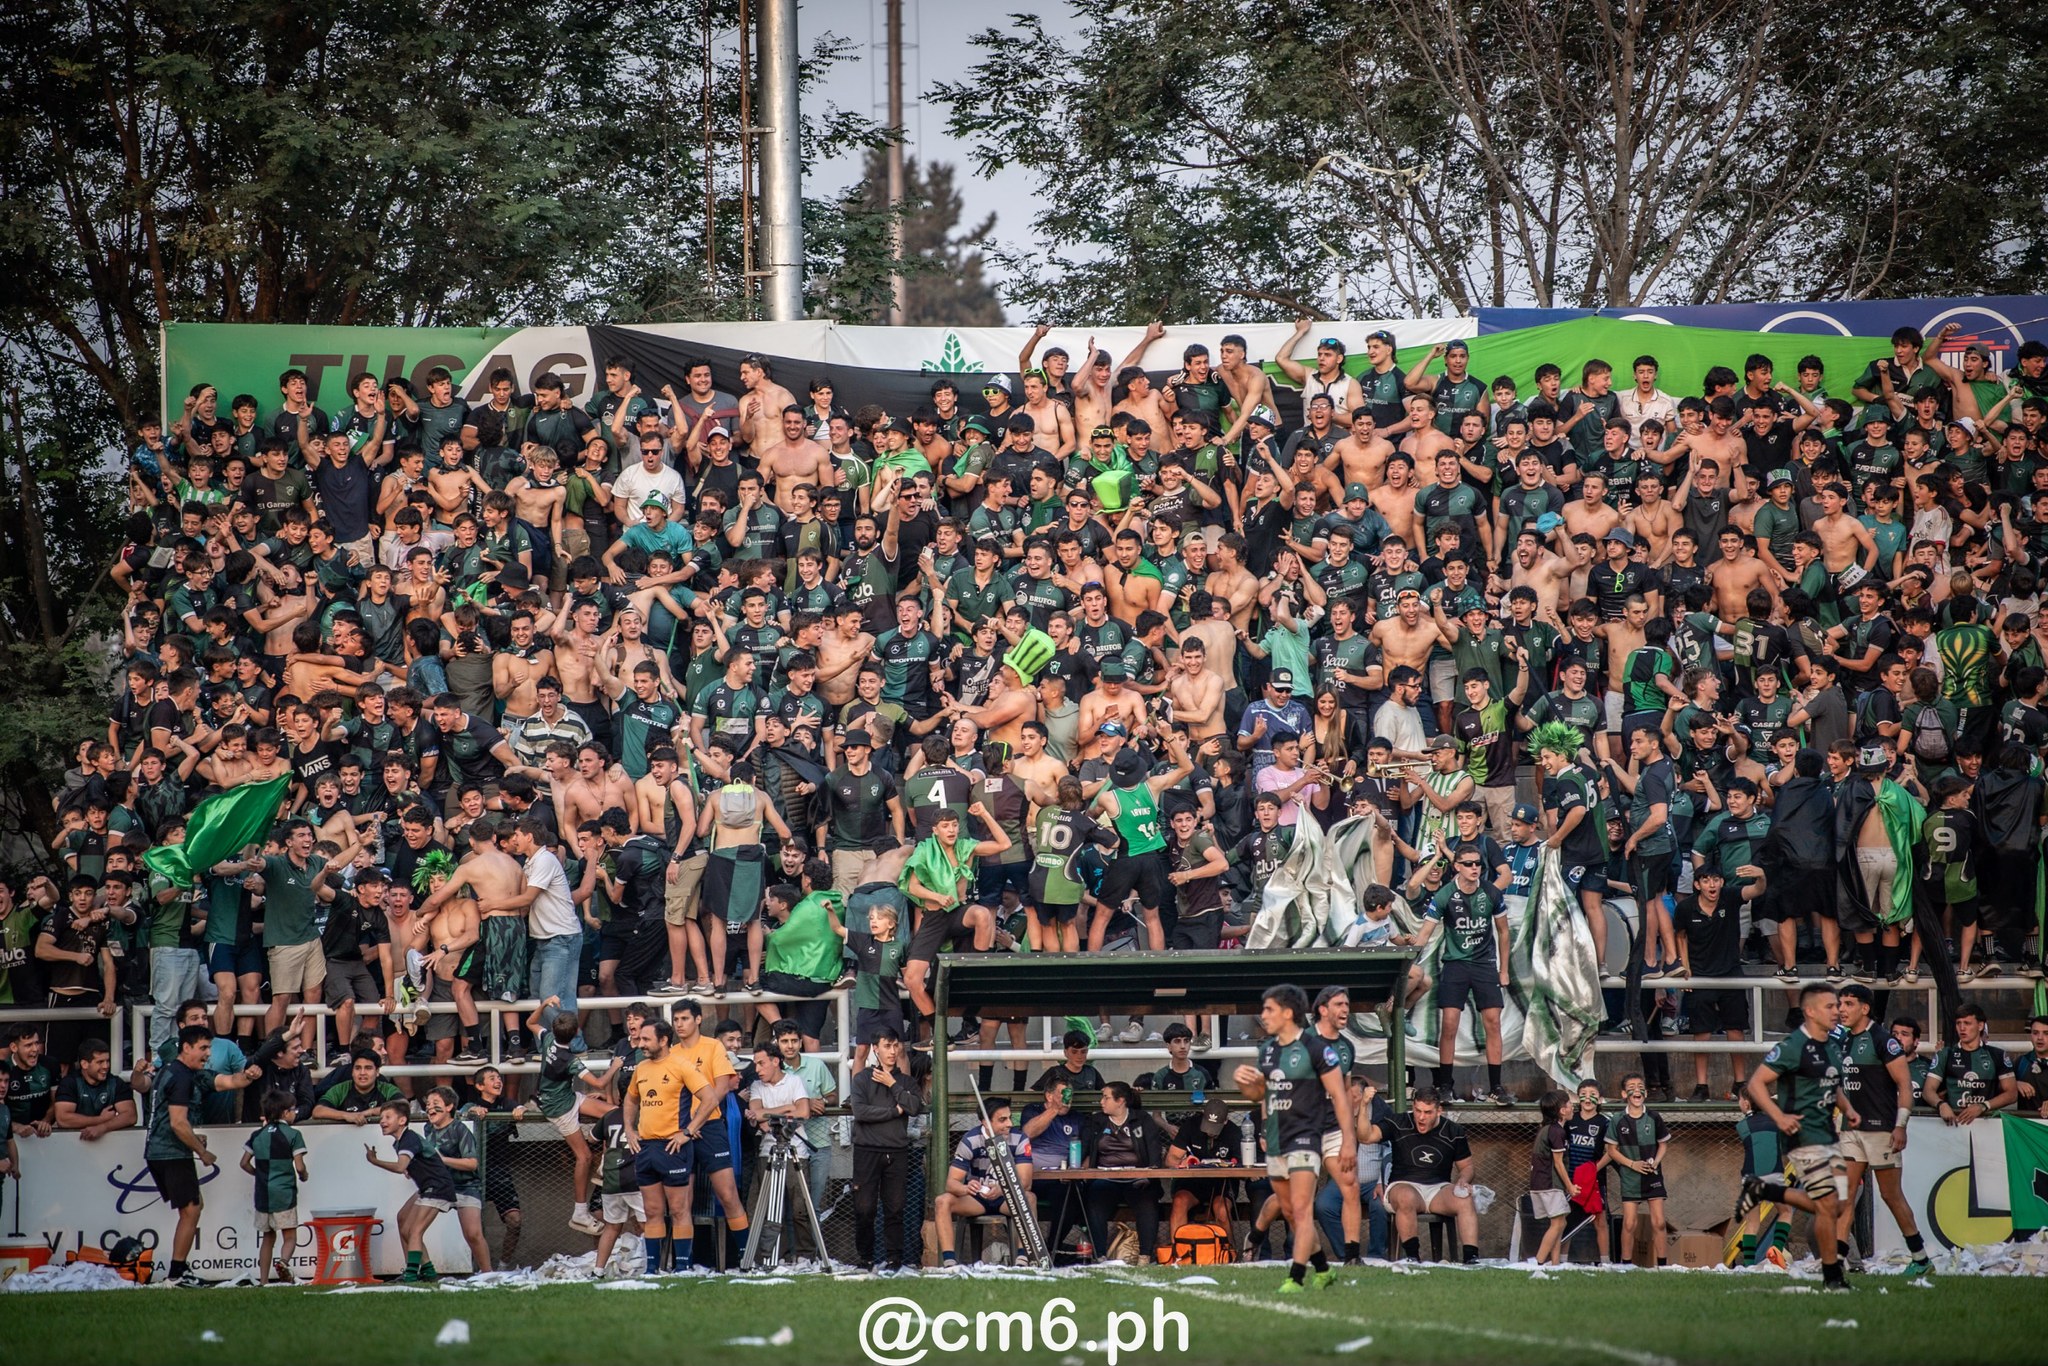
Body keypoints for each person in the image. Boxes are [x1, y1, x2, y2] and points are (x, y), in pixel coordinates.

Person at [1233, 983, 1353, 1292]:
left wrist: (1349, 1141)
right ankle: (1324, 1269)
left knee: (1301, 1210)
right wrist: (1246, 1085)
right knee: (1288, 1211)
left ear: (1288, 1013)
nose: (1263, 1015)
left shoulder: (1316, 1049)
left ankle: (1296, 1278)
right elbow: (1261, 1096)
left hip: (1305, 1137)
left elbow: (1340, 1096)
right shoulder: (1268, 1050)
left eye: (1269, 1009)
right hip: (1276, 1140)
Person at [1742, 983, 1851, 1290]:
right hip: (1803, 1137)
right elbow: (1756, 1083)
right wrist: (1779, 1116)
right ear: (1810, 1011)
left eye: (1838, 1006)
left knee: (1840, 1204)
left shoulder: (1832, 1044)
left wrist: (1849, 1109)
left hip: (1830, 1136)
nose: (1837, 1011)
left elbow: (1833, 1085)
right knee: (1828, 1205)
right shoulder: (1792, 1046)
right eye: (1830, 1006)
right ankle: (1833, 1276)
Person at [144, 1023, 264, 1286]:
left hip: (161, 1150)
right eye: (203, 1048)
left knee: (192, 1209)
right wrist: (203, 1151)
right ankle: (176, 1275)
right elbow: (177, 1123)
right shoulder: (182, 1077)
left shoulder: (180, 1072)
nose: (208, 1053)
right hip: (170, 1152)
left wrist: (251, 1075)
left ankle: (178, 1271)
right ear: (185, 1048)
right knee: (191, 1209)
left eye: (209, 1047)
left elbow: (232, 1081)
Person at [1834, 984, 1931, 1277]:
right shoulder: (1842, 1042)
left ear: (1865, 1008)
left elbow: (1904, 1086)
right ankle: (1836, 1262)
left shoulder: (1883, 1041)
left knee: (1891, 1195)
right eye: (1840, 1003)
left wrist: (1900, 1126)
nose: (1841, 1009)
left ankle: (1921, 1258)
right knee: (1845, 1195)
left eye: (1848, 1004)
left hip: (1881, 1130)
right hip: (1851, 1130)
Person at [1367, 1086, 1479, 1264]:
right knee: (1406, 1197)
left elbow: (1467, 1166)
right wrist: (1363, 1104)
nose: (1421, 1117)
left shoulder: (1454, 1131)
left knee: (1465, 1198)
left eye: (1427, 1112)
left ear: (1439, 1111)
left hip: (1438, 1189)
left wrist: (1463, 1181)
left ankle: (1471, 1259)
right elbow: (1366, 1136)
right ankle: (1413, 1257)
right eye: (1417, 1111)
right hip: (1403, 1185)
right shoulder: (1398, 1122)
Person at [849, 1025, 925, 1271]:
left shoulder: (906, 1081)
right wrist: (893, 1111)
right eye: (887, 1046)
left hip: (897, 1151)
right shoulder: (861, 1078)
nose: (892, 1051)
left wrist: (893, 1084)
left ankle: (895, 1259)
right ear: (875, 1049)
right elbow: (860, 1112)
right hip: (866, 1150)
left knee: (895, 1208)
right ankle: (865, 1258)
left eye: (895, 1045)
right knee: (864, 1208)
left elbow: (914, 1107)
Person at [934, 1094, 1034, 1267]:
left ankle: (1022, 1259)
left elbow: (1025, 1182)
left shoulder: (1020, 1138)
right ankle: (949, 1263)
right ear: (986, 1123)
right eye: (1002, 1120)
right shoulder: (970, 1140)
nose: (1009, 1124)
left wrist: (1003, 1189)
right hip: (977, 1199)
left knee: (1029, 1198)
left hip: (1007, 1198)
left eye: (1009, 1118)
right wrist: (966, 1188)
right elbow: (951, 1183)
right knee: (942, 1201)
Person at [364, 1097, 456, 1283]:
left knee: (415, 1231)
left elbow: (400, 1167)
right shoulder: (401, 1141)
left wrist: (375, 1161)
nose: (382, 1121)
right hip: (427, 1187)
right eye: (381, 1117)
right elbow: (410, 1165)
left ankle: (411, 1274)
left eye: (388, 1117)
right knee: (403, 1221)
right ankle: (428, 1273)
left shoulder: (408, 1139)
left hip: (437, 1187)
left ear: (402, 1120)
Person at [240, 1089, 309, 1284]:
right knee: (289, 1236)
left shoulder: (257, 1135)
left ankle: (263, 1281)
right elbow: (300, 1165)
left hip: (263, 1193)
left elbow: (244, 1163)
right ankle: (283, 1262)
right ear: (285, 1113)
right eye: (293, 1110)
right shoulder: (293, 1134)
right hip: (284, 1192)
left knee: (267, 1238)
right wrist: (304, 1175)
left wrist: (259, 1175)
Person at [1606, 1072, 1670, 1266]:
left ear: (1646, 1093)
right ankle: (1626, 1265)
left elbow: (1663, 1144)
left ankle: (1662, 1266)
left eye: (1640, 1086)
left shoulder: (1654, 1117)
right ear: (1624, 1094)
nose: (1636, 1089)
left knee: (1658, 1222)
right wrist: (1632, 1164)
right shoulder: (1617, 1119)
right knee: (1629, 1223)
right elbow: (1611, 1150)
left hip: (1652, 1175)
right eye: (1631, 1087)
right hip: (1630, 1176)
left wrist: (1656, 1162)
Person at [1526, 1089, 1572, 1265]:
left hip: (1539, 1184)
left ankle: (1555, 1264)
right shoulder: (1556, 1131)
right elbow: (1559, 1164)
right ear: (1562, 1110)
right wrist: (1570, 1186)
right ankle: (1538, 1262)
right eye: (1568, 1104)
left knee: (1559, 1222)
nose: (1572, 1106)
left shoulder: (1545, 1129)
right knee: (1558, 1224)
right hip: (1549, 1184)